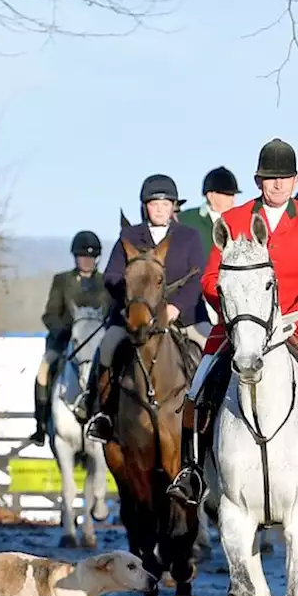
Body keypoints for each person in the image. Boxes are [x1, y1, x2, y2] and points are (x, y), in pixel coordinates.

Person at [170, 138, 298, 503]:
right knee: (197, 385)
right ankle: (192, 469)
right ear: (259, 181)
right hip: (241, 325)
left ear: (295, 181)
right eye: (270, 178)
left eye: (285, 178)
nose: (277, 185)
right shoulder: (233, 220)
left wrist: (291, 318)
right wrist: (234, 309)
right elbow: (210, 278)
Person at [82, 174, 207, 443]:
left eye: (165, 204)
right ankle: (100, 412)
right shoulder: (129, 236)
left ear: (174, 206)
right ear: (145, 206)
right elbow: (112, 276)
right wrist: (131, 303)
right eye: (154, 204)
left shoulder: (189, 237)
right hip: (135, 317)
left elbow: (199, 277)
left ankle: (211, 413)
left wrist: (175, 307)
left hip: (184, 317)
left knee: (212, 352)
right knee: (107, 347)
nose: (160, 209)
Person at [30, 231, 111, 445]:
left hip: (96, 345)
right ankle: (41, 424)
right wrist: (65, 332)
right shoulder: (62, 281)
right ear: (75, 257)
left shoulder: (105, 283)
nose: (87, 261)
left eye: (91, 257)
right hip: (65, 342)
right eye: (83, 256)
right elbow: (49, 314)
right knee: (43, 372)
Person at [178, 167, 241, 263]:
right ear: (211, 196)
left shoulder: (241, 221)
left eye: (233, 195)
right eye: (227, 195)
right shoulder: (186, 219)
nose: (232, 200)